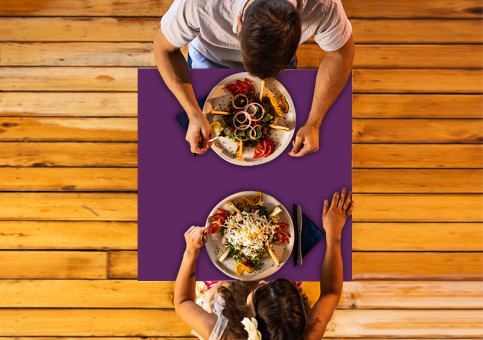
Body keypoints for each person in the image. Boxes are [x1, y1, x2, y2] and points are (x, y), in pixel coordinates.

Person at [154, 0, 355, 156]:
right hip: (209, 60)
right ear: (239, 24)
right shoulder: (197, 5)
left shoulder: (323, 6)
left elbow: (341, 54)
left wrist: (314, 122)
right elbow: (163, 49)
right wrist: (192, 113)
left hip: (281, 71)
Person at [174, 188, 353, 339]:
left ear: (249, 319)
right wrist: (334, 235)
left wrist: (191, 252)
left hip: (221, 291)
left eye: (261, 289)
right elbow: (331, 293)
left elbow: (182, 302)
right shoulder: (306, 334)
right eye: (272, 284)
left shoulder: (224, 334)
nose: (263, 281)